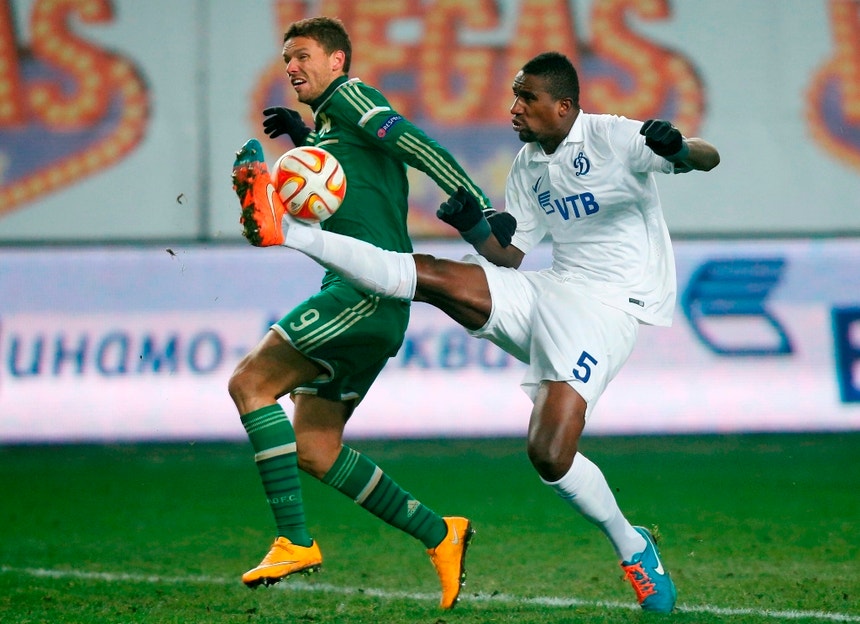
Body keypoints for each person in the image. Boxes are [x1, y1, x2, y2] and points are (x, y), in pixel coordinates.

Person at [236, 51, 720, 613]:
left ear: (564, 106)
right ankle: (290, 232)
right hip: (553, 288)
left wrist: (677, 147)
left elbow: (707, 157)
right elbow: (509, 255)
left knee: (549, 454)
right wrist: (472, 227)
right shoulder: (528, 165)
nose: (515, 108)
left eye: (527, 98)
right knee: (432, 275)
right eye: (514, 96)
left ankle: (633, 546)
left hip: (607, 308)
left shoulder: (612, 136)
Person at [229, 16, 512, 610]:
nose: (292, 67)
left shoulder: (352, 96)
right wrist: (305, 143)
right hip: (374, 300)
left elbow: (416, 144)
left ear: (337, 60)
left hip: (364, 293)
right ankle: (441, 534)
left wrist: (480, 206)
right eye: (287, 59)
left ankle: (294, 540)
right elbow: (352, 189)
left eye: (303, 55)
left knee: (250, 383)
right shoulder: (333, 128)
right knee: (316, 447)